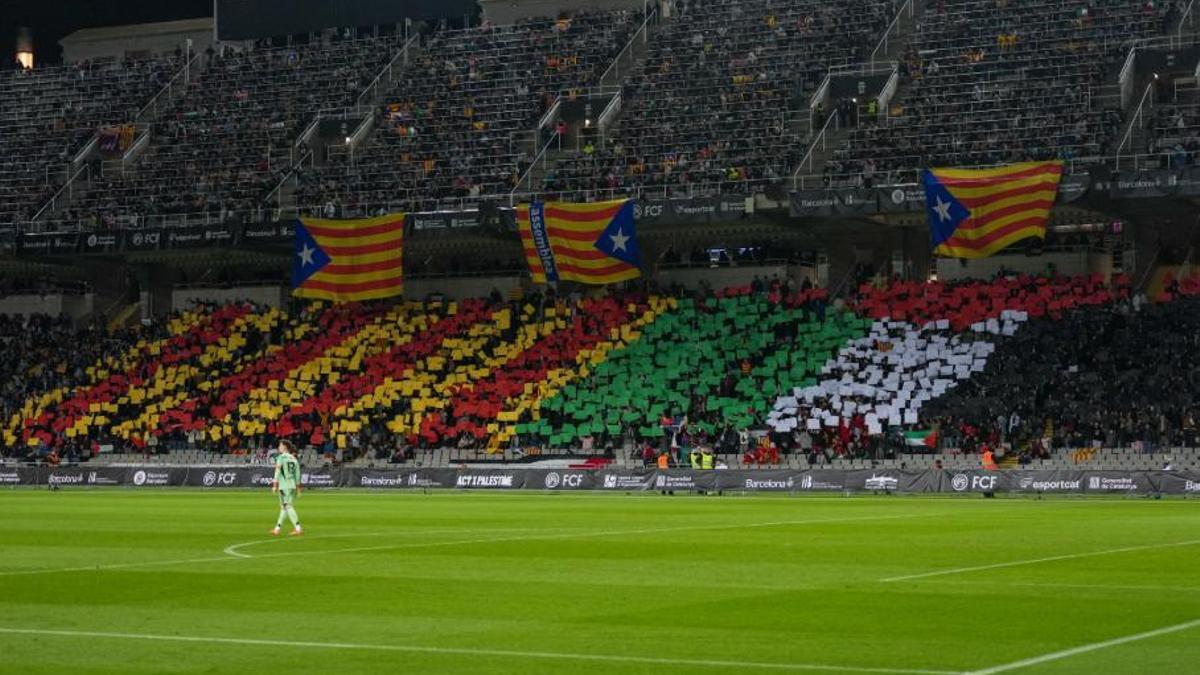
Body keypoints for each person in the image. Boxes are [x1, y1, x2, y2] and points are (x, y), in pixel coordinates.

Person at [270, 440, 304, 536]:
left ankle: (298, 528)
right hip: (292, 485)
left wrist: (274, 485)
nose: (278, 447)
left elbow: (277, 471)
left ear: (284, 447)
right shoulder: (294, 458)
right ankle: (277, 529)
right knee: (284, 507)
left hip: (284, 485)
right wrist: (298, 488)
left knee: (288, 506)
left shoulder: (281, 457)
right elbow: (297, 474)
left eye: (280, 445)